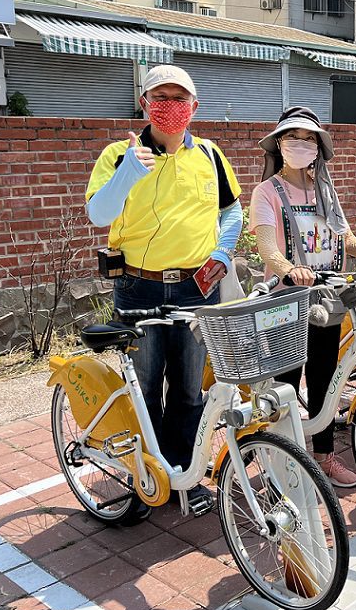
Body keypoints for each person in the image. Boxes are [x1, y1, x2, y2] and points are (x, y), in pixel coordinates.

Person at [85, 65, 242, 513]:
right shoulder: (120, 153)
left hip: (198, 287)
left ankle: (183, 476)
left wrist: (225, 252)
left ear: (195, 107)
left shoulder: (210, 155)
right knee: (146, 387)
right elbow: (99, 213)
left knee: (191, 389)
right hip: (139, 288)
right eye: (161, 97)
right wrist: (128, 173)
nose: (170, 107)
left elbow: (231, 212)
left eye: (179, 99)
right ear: (144, 102)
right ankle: (144, 480)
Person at [249, 107, 356, 489]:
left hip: (327, 299)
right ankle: (284, 461)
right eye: (293, 138)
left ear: (319, 147)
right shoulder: (266, 191)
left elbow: (345, 240)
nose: (301, 145)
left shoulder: (326, 190)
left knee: (325, 380)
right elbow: (267, 248)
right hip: (285, 305)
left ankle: (324, 456)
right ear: (278, 144)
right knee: (286, 385)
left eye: (309, 139)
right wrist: (289, 269)